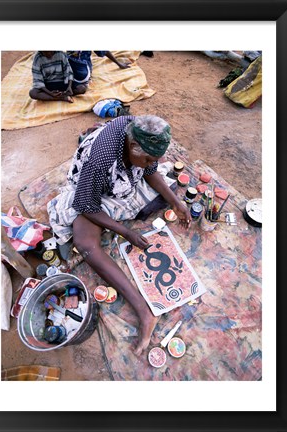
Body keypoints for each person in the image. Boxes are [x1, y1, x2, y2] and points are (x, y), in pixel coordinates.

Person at [47, 115, 191, 355]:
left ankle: (151, 200)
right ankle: (144, 312)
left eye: (152, 159)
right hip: (92, 194)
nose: (148, 164)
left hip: (121, 184)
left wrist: (176, 203)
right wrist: (125, 232)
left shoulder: (138, 133)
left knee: (166, 188)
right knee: (85, 243)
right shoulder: (100, 160)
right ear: (133, 148)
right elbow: (85, 204)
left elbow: (150, 170)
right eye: (146, 159)